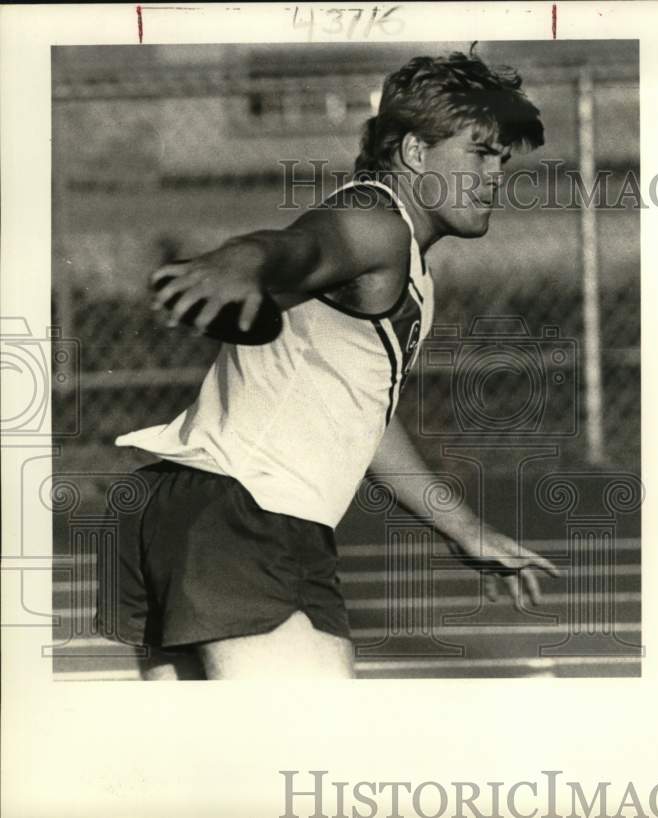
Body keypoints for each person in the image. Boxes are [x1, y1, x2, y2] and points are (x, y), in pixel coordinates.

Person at [97, 50, 558, 680]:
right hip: (246, 515)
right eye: (478, 152)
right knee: (312, 747)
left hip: (193, 505)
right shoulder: (378, 226)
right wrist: (241, 261)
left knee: (214, 763)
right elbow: (302, 245)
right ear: (415, 154)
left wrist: (465, 530)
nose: (495, 173)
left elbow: (364, 418)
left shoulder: (398, 258)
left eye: (502, 158)